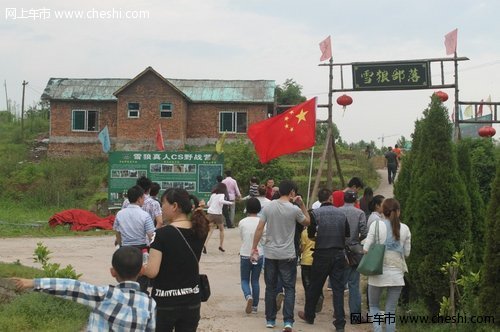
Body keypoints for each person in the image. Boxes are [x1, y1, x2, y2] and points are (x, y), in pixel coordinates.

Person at [13, 246, 156, 331]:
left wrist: (33, 282)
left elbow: (72, 287)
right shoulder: (150, 304)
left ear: (113, 272)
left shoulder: (103, 295)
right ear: (142, 271)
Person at [144, 188, 209, 332]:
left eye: (163, 204)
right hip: (192, 300)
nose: (161, 209)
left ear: (174, 206)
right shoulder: (200, 230)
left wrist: (141, 267)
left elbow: (152, 272)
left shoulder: (161, 234)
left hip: (165, 303)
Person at [251, 180, 310, 331]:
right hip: (288, 255)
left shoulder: (268, 207)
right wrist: (302, 204)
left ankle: (270, 320)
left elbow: (259, 228)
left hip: (270, 254)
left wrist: (254, 248)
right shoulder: (294, 210)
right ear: (291, 192)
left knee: (270, 287)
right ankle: (288, 322)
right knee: (289, 288)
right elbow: (307, 222)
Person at [298, 188, 350, 332]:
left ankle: (309, 315)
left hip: (321, 254)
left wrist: (319, 238)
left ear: (320, 200)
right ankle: (340, 323)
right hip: (339, 254)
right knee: (338, 289)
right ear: (331, 198)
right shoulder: (342, 214)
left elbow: (310, 234)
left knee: (315, 286)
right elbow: (347, 233)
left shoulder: (315, 214)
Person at [364, 198, 411, 332]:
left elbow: (366, 248)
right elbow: (407, 253)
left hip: (377, 273)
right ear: (398, 212)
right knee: (390, 310)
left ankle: (378, 330)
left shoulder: (376, 225)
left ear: (383, 211)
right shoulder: (405, 229)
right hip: (397, 275)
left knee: (374, 305)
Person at [114, 185, 156, 293]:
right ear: (139, 199)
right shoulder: (144, 215)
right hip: (141, 250)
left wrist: (120, 244)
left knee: (125, 276)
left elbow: (117, 232)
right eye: (143, 198)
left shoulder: (120, 214)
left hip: (124, 249)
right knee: (141, 277)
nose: (144, 200)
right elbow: (152, 235)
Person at [339, 190, 368, 323]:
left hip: (339, 250)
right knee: (354, 284)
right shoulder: (360, 213)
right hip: (355, 250)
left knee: (338, 283)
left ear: (344, 199)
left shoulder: (337, 211)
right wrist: (356, 239)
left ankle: (338, 313)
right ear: (356, 201)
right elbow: (364, 232)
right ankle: (355, 316)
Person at [239, 197, 265, 314]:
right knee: (255, 280)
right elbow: (264, 239)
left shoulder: (242, 222)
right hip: (259, 254)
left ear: (247, 208)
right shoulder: (262, 221)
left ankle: (248, 296)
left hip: (245, 253)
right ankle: (254, 306)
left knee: (244, 279)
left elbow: (242, 237)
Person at [205, 182, 234, 253]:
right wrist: (230, 203)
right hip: (218, 214)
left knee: (210, 230)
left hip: (210, 213)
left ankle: (205, 244)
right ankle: (221, 246)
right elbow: (221, 201)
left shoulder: (213, 195)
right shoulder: (222, 194)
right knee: (221, 230)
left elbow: (208, 204)